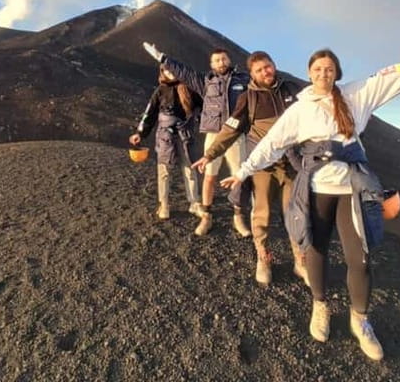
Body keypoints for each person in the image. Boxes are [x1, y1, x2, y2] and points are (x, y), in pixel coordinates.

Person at [221, 31, 400, 361]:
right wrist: (243, 171)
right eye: (317, 68)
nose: (323, 73)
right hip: (317, 190)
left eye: (329, 68)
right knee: (315, 250)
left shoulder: (354, 96)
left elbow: (391, 77)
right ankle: (320, 306)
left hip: (351, 191)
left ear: (337, 72)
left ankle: (360, 320)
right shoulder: (300, 109)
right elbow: (271, 143)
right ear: (309, 73)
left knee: (358, 258)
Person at [193, 51, 305, 286]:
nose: (266, 72)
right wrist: (210, 154)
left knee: (295, 213)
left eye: (268, 66)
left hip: (293, 164)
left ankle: (299, 259)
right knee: (261, 212)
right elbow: (230, 129)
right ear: (252, 75)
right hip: (264, 166)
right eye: (259, 70)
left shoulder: (291, 90)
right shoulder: (249, 99)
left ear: (274, 65)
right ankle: (263, 257)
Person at [142, 42, 251, 237]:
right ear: (211, 64)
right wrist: (162, 58)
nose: (221, 62)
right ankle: (206, 216)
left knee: (238, 176)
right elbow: (183, 72)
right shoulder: (205, 82)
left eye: (224, 59)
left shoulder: (244, 80)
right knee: (209, 175)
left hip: (236, 134)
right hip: (213, 134)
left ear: (230, 60)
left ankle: (238, 216)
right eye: (217, 60)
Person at [130, 65, 203, 220]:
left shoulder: (190, 89)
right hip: (165, 136)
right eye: (166, 71)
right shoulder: (160, 91)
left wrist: (203, 121)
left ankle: (194, 202)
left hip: (186, 135)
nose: (170, 73)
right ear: (162, 73)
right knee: (164, 170)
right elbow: (149, 113)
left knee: (190, 168)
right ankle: (164, 204)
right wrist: (140, 133)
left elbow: (203, 108)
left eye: (172, 70)